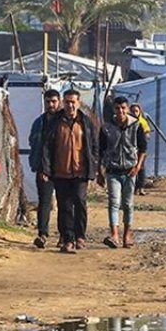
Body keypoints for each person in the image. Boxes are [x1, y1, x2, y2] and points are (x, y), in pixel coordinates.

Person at [40, 89, 99, 253]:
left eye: (73, 102)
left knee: (80, 202)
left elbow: (94, 146)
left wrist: (93, 166)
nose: (70, 105)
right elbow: (46, 147)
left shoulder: (86, 123)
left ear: (78, 103)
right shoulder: (55, 123)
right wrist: (46, 168)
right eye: (67, 102)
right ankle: (68, 239)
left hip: (80, 172)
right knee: (64, 206)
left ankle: (80, 236)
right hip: (60, 171)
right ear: (63, 103)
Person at [98, 96, 147, 248]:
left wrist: (138, 167)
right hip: (113, 170)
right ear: (114, 109)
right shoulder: (106, 127)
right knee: (113, 202)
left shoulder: (136, 125)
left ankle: (127, 235)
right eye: (118, 108)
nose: (121, 111)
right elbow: (100, 150)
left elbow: (143, 148)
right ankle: (114, 235)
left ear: (127, 109)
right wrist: (100, 171)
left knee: (128, 204)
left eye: (123, 108)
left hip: (130, 170)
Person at [28, 89, 61, 249]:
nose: (51, 105)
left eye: (53, 101)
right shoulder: (39, 123)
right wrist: (40, 167)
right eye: (48, 102)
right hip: (44, 169)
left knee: (65, 203)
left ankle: (65, 235)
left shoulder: (64, 121)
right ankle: (42, 234)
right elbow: (34, 144)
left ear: (59, 102)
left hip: (63, 169)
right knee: (44, 202)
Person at [129, 103, 151, 195]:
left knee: (141, 167)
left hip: (140, 149)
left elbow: (147, 134)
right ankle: (132, 187)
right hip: (130, 149)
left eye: (136, 111)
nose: (135, 113)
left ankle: (141, 187)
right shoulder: (128, 121)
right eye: (133, 111)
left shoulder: (142, 122)